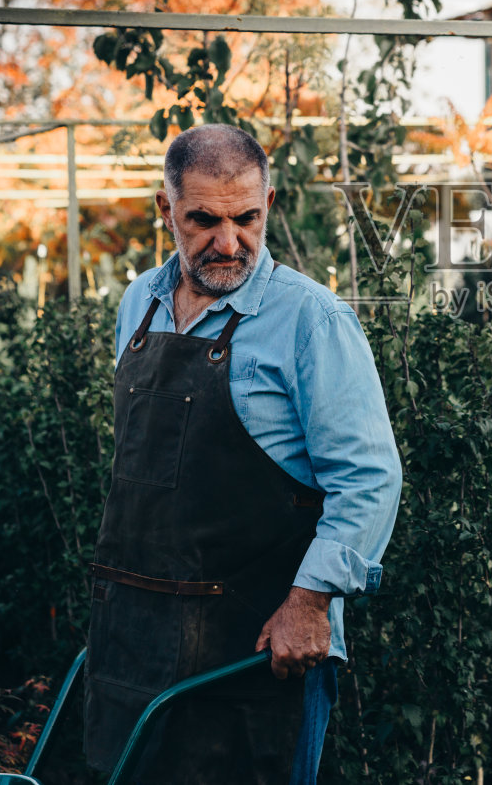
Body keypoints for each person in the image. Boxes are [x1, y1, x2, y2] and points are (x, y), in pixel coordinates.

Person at [84, 124, 402, 785]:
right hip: (138, 639)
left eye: (246, 218)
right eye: (203, 219)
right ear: (164, 209)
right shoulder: (138, 303)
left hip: (257, 652)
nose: (228, 243)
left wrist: (310, 602)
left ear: (269, 204)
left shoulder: (311, 319)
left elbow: (369, 478)